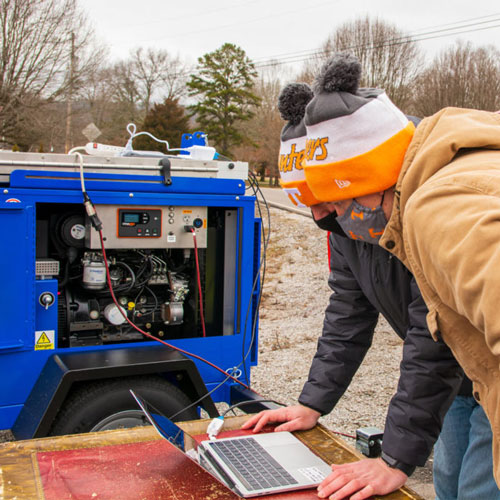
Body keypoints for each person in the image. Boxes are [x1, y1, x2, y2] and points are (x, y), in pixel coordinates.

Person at [243, 77, 500, 500]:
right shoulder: (350, 220)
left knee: (477, 488)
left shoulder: (432, 206)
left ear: (358, 179)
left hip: (477, 360)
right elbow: (349, 310)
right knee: (449, 483)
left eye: (333, 203)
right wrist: (313, 402)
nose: (325, 215)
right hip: (457, 368)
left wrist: (395, 459)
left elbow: (428, 327)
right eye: (313, 205)